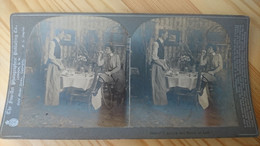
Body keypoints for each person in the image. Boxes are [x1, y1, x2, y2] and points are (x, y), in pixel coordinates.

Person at [45, 30, 65, 106]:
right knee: (52, 85)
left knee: (56, 85)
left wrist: (61, 64)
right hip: (53, 66)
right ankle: (50, 103)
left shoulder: (58, 43)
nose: (63, 36)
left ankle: (54, 103)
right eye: (62, 34)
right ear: (58, 33)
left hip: (57, 65)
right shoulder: (52, 42)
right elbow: (50, 57)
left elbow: (58, 57)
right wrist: (59, 65)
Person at [151, 30, 169, 105]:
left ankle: (162, 103)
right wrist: (162, 65)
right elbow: (154, 58)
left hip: (161, 65)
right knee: (158, 85)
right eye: (166, 34)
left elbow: (162, 57)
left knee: (162, 85)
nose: (167, 36)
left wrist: (165, 65)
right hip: (157, 66)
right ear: (162, 34)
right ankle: (158, 103)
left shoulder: (162, 43)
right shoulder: (156, 43)